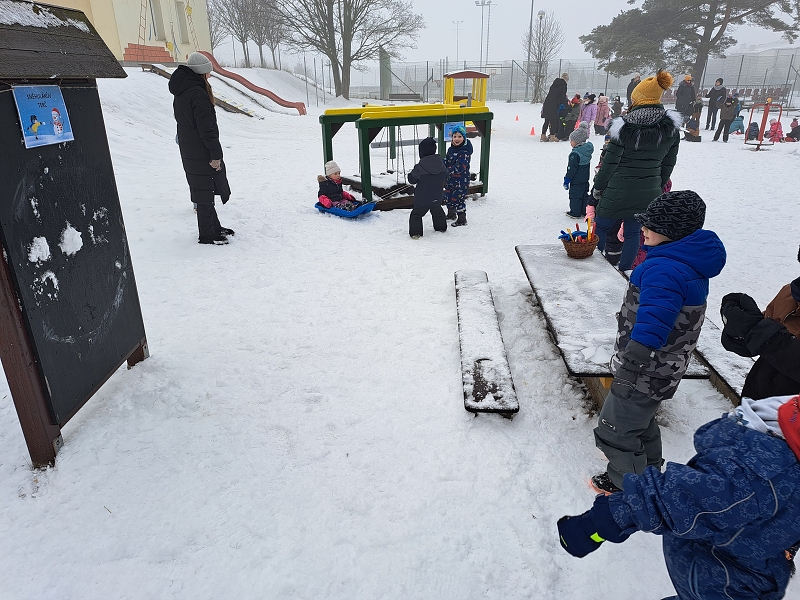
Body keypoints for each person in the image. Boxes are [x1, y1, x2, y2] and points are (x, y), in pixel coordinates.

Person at [557, 393, 800, 600]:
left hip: (744, 562)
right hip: (722, 570)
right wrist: (600, 521)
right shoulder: (761, 475)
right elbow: (679, 497)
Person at [591, 190, 726, 494]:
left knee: (615, 430)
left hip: (643, 369)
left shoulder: (664, 270)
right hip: (664, 368)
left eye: (652, 225)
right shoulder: (684, 263)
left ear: (672, 232)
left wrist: (629, 367)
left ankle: (630, 486)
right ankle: (649, 475)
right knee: (641, 423)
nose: (643, 229)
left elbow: (653, 323)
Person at [592, 70, 682, 272]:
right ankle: (625, 271)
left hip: (617, 190)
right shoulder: (670, 129)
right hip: (648, 191)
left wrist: (598, 188)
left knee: (601, 227)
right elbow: (668, 164)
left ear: (638, 99)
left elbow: (609, 163)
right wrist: (657, 185)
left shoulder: (623, 127)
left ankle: (593, 270)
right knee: (633, 232)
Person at [169, 52, 234, 245]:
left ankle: (214, 227)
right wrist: (215, 155)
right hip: (200, 149)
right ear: (201, 72)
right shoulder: (197, 93)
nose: (210, 76)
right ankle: (207, 234)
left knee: (202, 188)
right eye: (208, 72)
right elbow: (207, 129)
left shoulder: (183, 90)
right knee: (204, 190)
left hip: (190, 148)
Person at [720, 246, 800, 400]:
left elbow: (771, 339)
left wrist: (769, 339)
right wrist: (742, 332)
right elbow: (764, 330)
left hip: (790, 413)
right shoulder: (790, 294)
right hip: (756, 400)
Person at [406, 137, 447, 239]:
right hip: (437, 196)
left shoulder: (420, 167)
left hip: (422, 199)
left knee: (416, 215)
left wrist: (410, 175)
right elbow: (446, 175)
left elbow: (412, 180)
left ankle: (416, 233)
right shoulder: (441, 164)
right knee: (437, 211)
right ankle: (441, 228)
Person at [443, 125, 472, 227]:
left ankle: (462, 219)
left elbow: (461, 166)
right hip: (450, 180)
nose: (457, 139)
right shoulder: (451, 149)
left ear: (464, 138)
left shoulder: (464, 152)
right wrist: (441, 164)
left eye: (460, 136)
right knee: (448, 197)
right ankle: (451, 214)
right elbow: (447, 161)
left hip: (461, 181)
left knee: (458, 199)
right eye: (454, 136)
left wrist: (448, 170)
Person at [563, 123, 593, 219]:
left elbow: (571, 169)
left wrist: (567, 179)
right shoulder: (586, 151)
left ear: (577, 141)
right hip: (585, 178)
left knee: (575, 196)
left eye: (571, 140)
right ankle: (584, 211)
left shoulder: (575, 154)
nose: (570, 142)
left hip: (576, 180)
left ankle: (575, 212)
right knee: (584, 195)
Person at [541, 73, 570, 142]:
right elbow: (563, 97)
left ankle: (543, 136)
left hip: (547, 103)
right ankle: (552, 136)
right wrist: (567, 106)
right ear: (566, 80)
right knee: (554, 120)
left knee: (546, 120)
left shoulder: (554, 84)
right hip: (554, 104)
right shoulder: (563, 85)